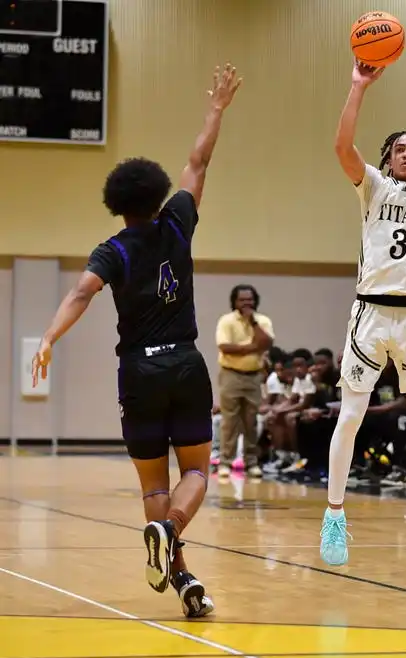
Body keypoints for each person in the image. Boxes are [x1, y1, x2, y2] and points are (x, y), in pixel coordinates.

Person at [31, 63, 242, 617]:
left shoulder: (113, 249)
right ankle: (172, 538)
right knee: (196, 471)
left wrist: (49, 337)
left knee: (154, 483)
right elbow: (198, 161)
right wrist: (216, 109)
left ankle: (175, 557)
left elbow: (80, 294)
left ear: (116, 201)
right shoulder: (177, 221)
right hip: (187, 365)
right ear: (156, 193)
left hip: (139, 373)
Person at [320, 48, 406, 572]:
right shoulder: (372, 188)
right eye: (397, 148)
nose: (405, 154)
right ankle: (334, 516)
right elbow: (340, 146)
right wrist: (358, 85)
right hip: (369, 314)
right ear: (388, 157)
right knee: (349, 417)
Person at [215, 284, 274, 478]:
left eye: (250, 299)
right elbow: (225, 347)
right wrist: (252, 347)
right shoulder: (227, 321)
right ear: (234, 301)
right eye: (242, 299)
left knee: (251, 421)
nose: (247, 303)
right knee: (229, 421)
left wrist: (253, 324)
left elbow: (266, 343)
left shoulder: (263, 320)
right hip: (230, 374)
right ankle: (225, 462)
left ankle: (251, 463)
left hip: (254, 375)